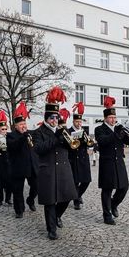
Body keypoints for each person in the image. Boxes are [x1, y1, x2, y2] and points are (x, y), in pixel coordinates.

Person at [33, 88, 78, 239]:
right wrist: (56, 138)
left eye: (56, 118)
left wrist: (69, 140)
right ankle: (51, 229)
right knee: (50, 202)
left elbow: (70, 148)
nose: (54, 121)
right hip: (48, 170)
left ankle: (57, 216)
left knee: (67, 197)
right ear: (46, 118)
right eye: (51, 118)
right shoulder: (38, 132)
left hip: (64, 168)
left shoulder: (62, 130)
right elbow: (39, 149)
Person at [95, 96, 129, 225]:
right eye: (111, 118)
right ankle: (107, 215)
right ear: (105, 118)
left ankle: (113, 204)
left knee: (124, 187)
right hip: (107, 163)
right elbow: (102, 141)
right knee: (107, 189)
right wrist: (115, 134)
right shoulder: (99, 129)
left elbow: (128, 142)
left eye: (114, 118)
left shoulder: (118, 128)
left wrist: (127, 135)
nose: (113, 120)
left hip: (119, 162)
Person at [7, 101, 39, 219]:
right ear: (15, 126)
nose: (23, 126)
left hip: (31, 166)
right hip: (18, 167)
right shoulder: (11, 136)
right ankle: (19, 210)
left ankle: (30, 200)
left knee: (36, 186)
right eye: (20, 124)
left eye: (24, 123)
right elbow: (13, 146)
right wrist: (23, 138)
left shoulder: (30, 133)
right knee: (18, 190)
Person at [67, 102, 92, 209]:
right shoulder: (69, 131)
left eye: (80, 121)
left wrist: (88, 142)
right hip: (73, 159)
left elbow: (89, 144)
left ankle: (78, 195)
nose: (79, 123)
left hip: (83, 159)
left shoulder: (84, 131)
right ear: (73, 121)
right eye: (77, 121)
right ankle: (76, 201)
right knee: (76, 181)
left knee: (86, 181)